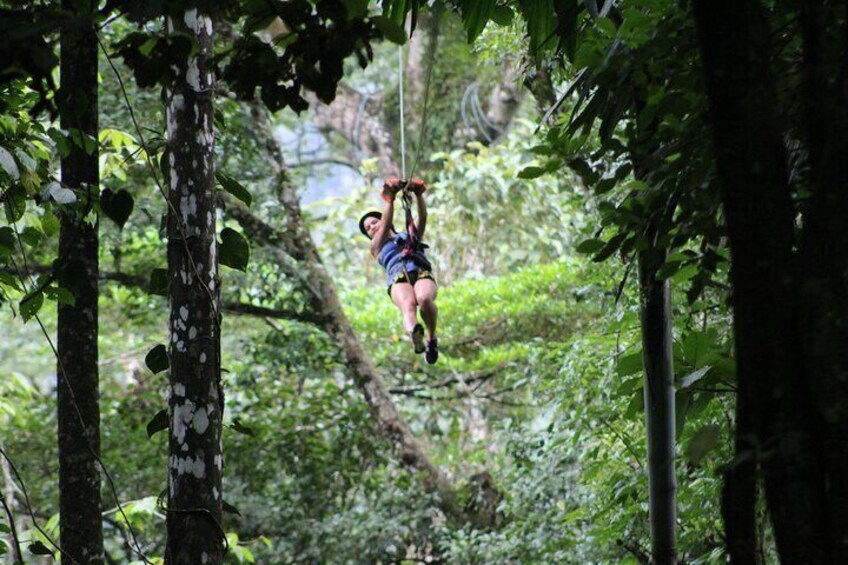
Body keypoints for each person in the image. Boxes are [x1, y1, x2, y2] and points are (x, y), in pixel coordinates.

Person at [359, 177, 439, 364]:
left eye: (373, 222)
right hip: (398, 276)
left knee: (424, 299)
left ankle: (431, 337)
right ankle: (414, 333)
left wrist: (419, 196)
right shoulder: (376, 246)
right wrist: (389, 198)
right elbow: (386, 223)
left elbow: (423, 217)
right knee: (408, 305)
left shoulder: (409, 235)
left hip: (419, 270)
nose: (372, 227)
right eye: (368, 228)